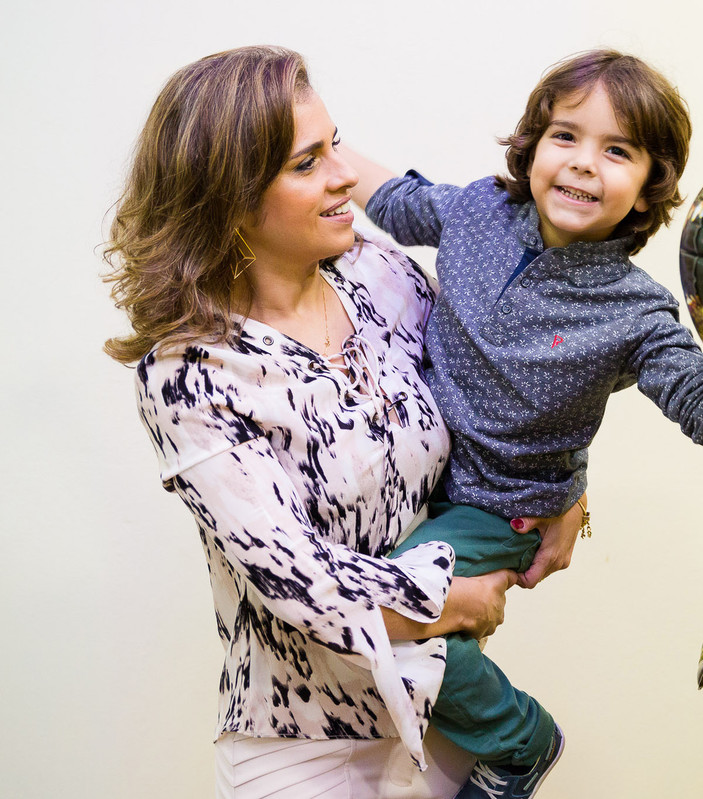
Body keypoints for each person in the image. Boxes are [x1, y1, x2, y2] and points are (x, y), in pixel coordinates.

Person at [345, 49, 703, 799]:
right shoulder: (475, 214)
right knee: (400, 630)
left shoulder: (633, 307)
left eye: (617, 150)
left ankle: (521, 739)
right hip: (420, 485)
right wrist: (319, 147)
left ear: (650, 184)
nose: (585, 164)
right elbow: (394, 196)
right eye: (566, 136)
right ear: (532, 146)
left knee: (390, 614)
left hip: (503, 508)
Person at [103, 45, 543, 799]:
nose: (346, 176)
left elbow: (491, 390)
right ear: (230, 199)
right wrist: (450, 597)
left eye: (334, 144)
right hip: (300, 747)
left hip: (437, 718)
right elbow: (300, 584)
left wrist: (567, 495)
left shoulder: (381, 277)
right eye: (307, 163)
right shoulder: (190, 375)